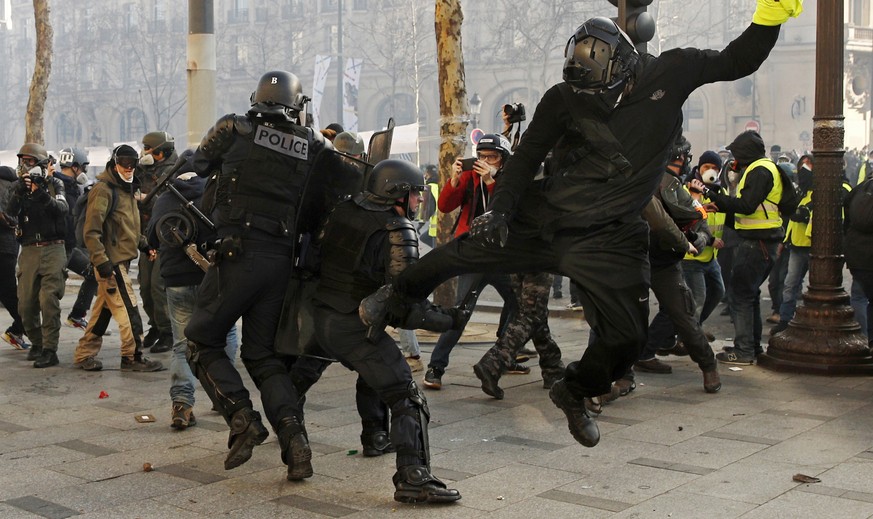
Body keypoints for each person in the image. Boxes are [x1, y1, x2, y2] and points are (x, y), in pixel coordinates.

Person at [362, 4, 801, 447]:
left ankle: (573, 389)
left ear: (627, 68)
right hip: (549, 216)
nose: (597, 100)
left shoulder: (674, 71)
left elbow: (737, 60)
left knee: (628, 338)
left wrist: (769, 16)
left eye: (606, 91)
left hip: (613, 235)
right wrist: (500, 210)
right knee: (461, 252)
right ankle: (393, 296)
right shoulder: (563, 96)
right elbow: (528, 156)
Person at [184, 71, 334, 477]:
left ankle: (242, 419)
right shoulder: (314, 145)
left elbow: (199, 163)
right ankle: (296, 441)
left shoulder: (234, 127)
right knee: (262, 356)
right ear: (296, 103)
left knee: (201, 340)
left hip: (237, 256)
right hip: (281, 263)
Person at [312, 159, 460, 503]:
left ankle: (316, 437)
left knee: (362, 375)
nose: (420, 201)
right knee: (407, 396)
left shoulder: (343, 211)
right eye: (415, 194)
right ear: (397, 194)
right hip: (354, 324)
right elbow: (404, 305)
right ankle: (413, 477)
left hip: (321, 318)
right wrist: (450, 320)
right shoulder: (397, 229)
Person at [146, 152, 239, 429]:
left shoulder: (165, 199)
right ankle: (224, 394)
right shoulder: (214, 193)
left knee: (182, 344)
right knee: (226, 335)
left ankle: (182, 405)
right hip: (213, 278)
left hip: (176, 281)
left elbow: (151, 237)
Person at [422, 133, 520, 390]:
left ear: (503, 159)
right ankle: (436, 367)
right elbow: (444, 206)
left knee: (519, 303)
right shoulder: (469, 175)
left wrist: (491, 181)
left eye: (492, 157)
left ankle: (504, 353)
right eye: (481, 156)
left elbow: (503, 207)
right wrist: (454, 180)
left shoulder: (508, 179)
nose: (485, 162)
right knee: (462, 311)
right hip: (474, 254)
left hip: (502, 255)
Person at [632, 137, 721, 394]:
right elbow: (672, 221)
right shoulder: (661, 182)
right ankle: (625, 372)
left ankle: (708, 364)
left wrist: (696, 238)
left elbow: (694, 218)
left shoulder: (669, 184)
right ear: (681, 158)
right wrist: (692, 240)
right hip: (647, 257)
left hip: (657, 260)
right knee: (683, 317)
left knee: (682, 315)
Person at [692, 131, 788, 364]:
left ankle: (743, 350)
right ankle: (752, 347)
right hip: (763, 240)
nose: (732, 161)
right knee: (749, 294)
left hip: (758, 242)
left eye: (736, 154)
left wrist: (707, 192)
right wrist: (719, 203)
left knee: (740, 295)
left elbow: (745, 206)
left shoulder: (760, 170)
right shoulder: (764, 168)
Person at [72, 145, 162, 373]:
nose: (129, 169)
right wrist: (102, 262)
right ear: (115, 163)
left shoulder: (126, 188)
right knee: (129, 310)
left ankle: (85, 354)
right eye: (124, 164)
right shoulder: (104, 190)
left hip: (117, 260)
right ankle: (133, 356)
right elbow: (92, 231)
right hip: (112, 264)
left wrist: (145, 245)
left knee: (103, 311)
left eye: (133, 164)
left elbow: (127, 228)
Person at [6, 144, 69, 368]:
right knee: (25, 305)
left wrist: (39, 192)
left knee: (48, 300)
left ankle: (50, 349)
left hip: (54, 248)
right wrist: (20, 192)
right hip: (30, 250)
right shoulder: (18, 187)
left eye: (31, 162)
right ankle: (38, 343)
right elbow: (10, 213)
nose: (26, 166)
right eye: (24, 161)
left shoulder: (55, 184)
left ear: (42, 165)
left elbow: (61, 209)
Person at [136, 131, 177, 353]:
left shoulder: (174, 171)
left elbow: (167, 202)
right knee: (145, 287)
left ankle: (167, 331)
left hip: (163, 237)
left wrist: (145, 199)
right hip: (146, 238)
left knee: (157, 287)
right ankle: (155, 325)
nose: (147, 153)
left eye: (150, 149)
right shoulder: (143, 170)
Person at [56, 148, 98, 331]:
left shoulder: (71, 187)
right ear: (74, 167)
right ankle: (19, 330)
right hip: (60, 247)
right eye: (83, 167)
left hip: (69, 246)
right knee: (50, 291)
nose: (85, 172)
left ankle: (77, 315)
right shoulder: (61, 187)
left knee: (93, 272)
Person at [0, 165, 29, 350]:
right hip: (6, 247)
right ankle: (24, 326)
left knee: (8, 292)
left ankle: (20, 327)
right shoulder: (13, 187)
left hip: (6, 246)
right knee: (9, 292)